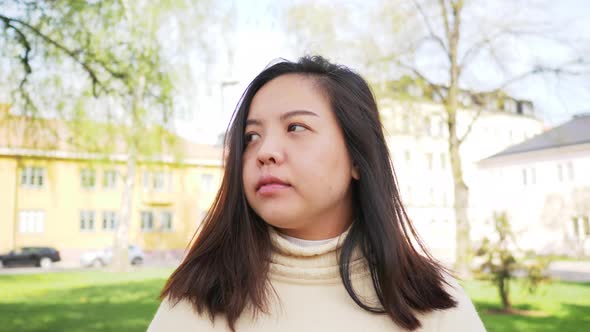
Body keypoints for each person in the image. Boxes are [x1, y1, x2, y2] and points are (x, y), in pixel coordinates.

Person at [147, 56, 486, 332]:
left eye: (296, 128)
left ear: (357, 157)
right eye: (251, 136)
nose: (266, 151)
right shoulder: (197, 300)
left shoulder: (432, 302)